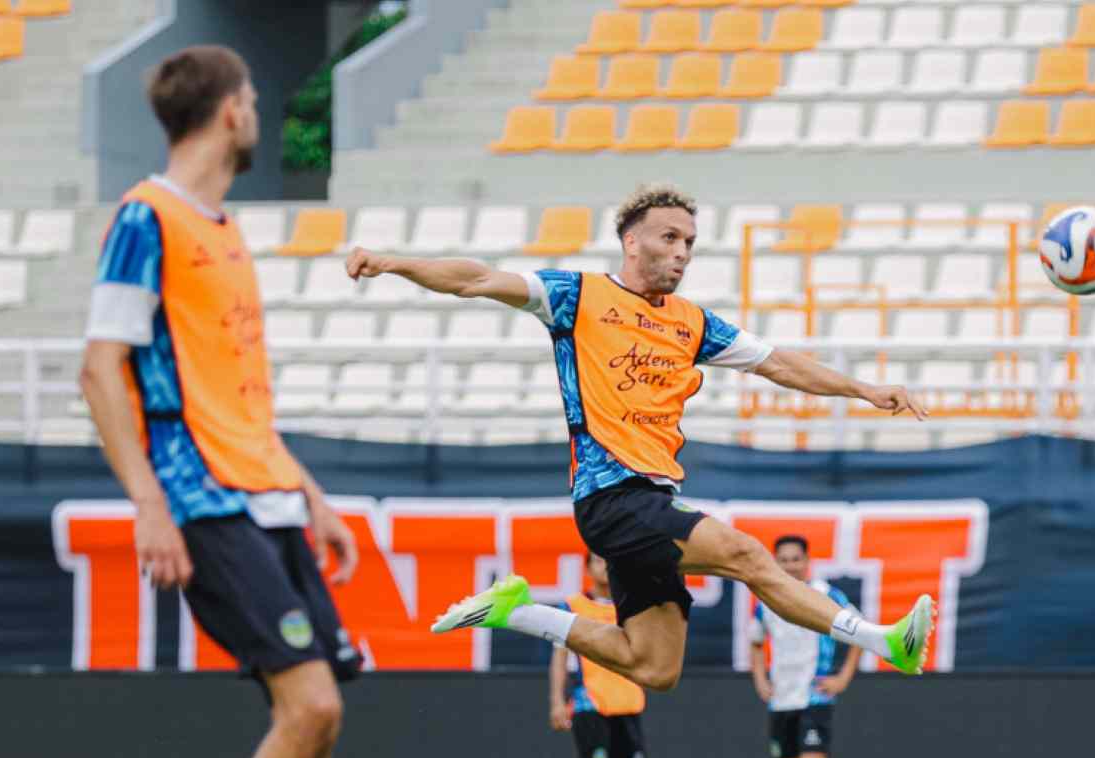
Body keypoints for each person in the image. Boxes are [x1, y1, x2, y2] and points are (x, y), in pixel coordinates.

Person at [345, 183, 935, 692]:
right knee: (747, 556)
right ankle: (883, 641)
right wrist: (391, 262)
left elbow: (778, 363)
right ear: (632, 241)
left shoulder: (691, 321)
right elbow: (475, 279)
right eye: (669, 238)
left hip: (653, 500)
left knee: (654, 667)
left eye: (690, 243)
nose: (681, 252)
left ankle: (519, 613)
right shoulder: (576, 296)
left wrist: (864, 389)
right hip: (611, 498)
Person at [79, 46, 360, 758]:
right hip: (202, 498)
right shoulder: (146, 218)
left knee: (320, 721)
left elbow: (236, 398)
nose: (257, 116)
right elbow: (99, 370)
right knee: (310, 708)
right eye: (255, 104)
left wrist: (310, 496)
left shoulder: (225, 230)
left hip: (266, 492)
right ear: (232, 111)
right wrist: (150, 505)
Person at [751, 535, 860, 758]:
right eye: (784, 560)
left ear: (807, 561)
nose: (790, 566)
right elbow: (756, 641)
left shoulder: (827, 595)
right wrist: (760, 679)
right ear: (775, 563)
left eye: (796, 559)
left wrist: (843, 677)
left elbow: (860, 631)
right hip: (782, 698)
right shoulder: (767, 599)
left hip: (814, 696)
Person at [550, 553, 647, 758]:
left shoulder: (631, 606)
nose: (605, 566)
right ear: (588, 568)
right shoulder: (573, 607)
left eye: (610, 561)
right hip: (590, 702)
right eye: (598, 560)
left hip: (627, 701)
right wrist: (557, 702)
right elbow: (560, 658)